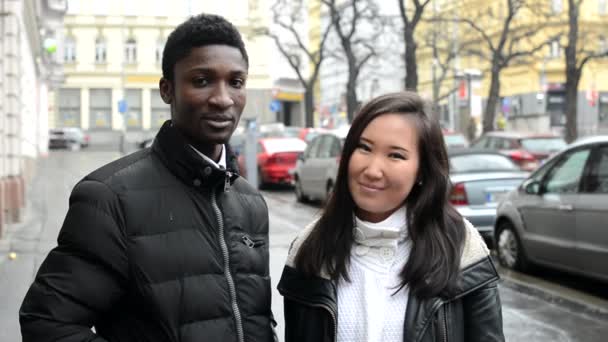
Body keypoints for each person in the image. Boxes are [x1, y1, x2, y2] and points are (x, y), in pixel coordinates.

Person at [20, 14, 275, 342]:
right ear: (167, 90)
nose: (223, 98)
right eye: (202, 80)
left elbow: (256, 319)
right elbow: (47, 323)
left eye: (236, 82)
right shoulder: (109, 199)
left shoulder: (251, 203)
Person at [278, 91, 504, 342]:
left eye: (395, 155)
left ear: (422, 171)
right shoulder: (310, 249)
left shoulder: (461, 248)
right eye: (364, 148)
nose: (373, 170)